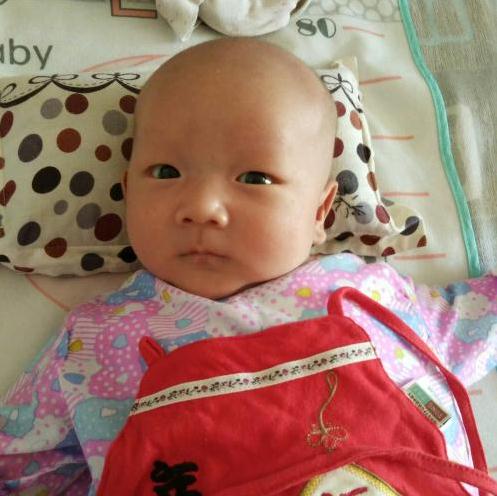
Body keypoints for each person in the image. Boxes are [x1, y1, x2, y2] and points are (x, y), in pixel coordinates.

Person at [0, 38, 496, 495]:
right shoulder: (94, 337)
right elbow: (19, 464)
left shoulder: (368, 290)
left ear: (319, 212)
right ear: (128, 192)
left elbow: (473, 324)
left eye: (255, 178)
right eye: (166, 172)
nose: (202, 207)